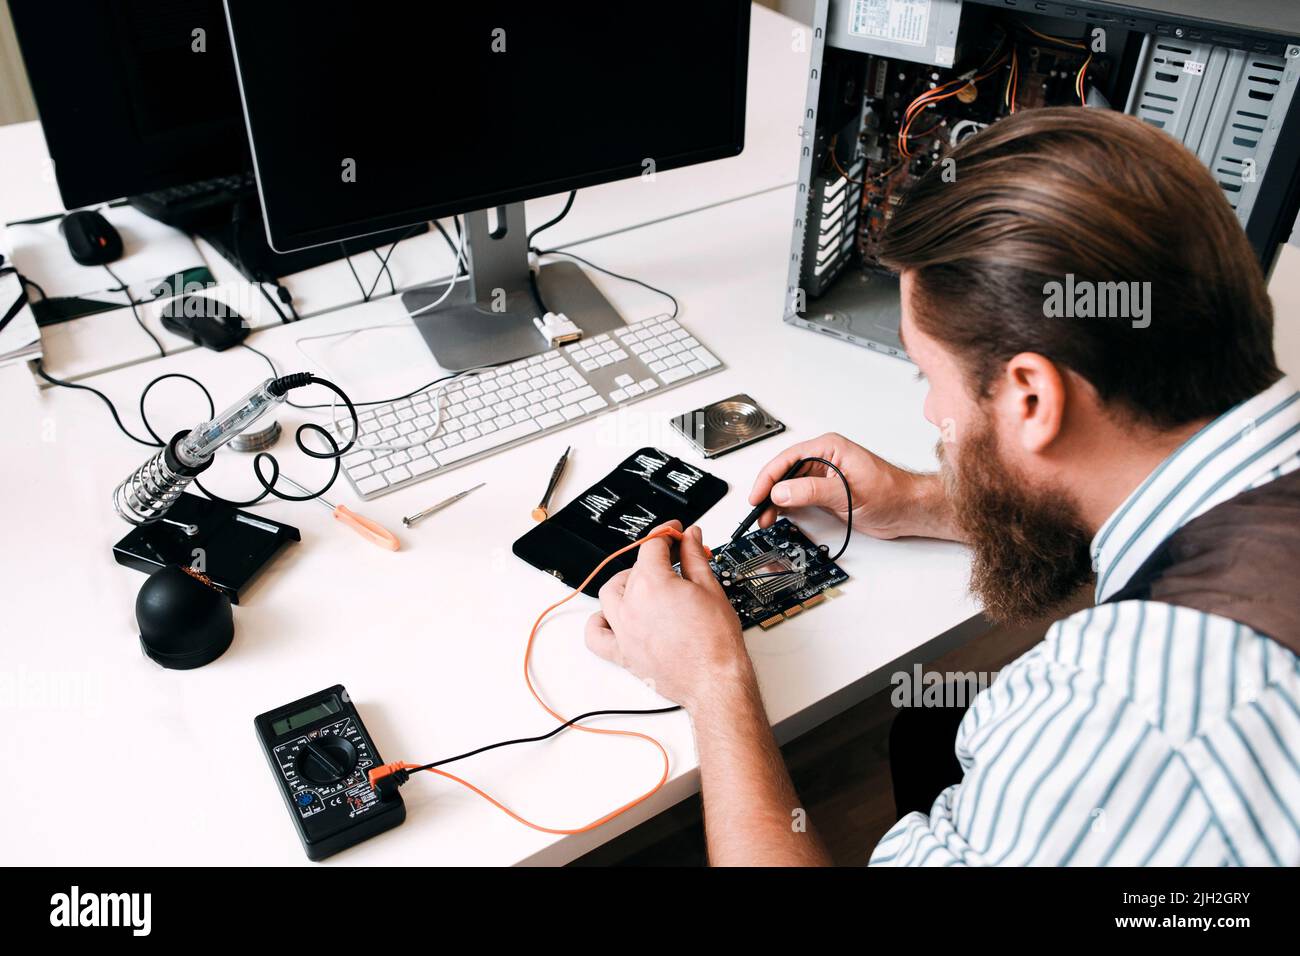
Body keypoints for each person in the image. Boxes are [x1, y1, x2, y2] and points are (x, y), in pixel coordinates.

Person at [583, 107, 1300, 866]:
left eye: (930, 376)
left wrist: (711, 680)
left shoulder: (1121, 719)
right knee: (927, 729)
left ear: (1032, 399)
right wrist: (928, 501)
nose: (930, 413)